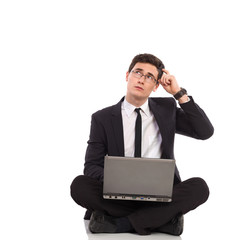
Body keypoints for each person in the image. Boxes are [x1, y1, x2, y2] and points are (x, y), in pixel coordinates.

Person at [70, 53, 214, 236]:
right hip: (118, 195)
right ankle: (161, 221)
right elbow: (91, 166)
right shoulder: (102, 118)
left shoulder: (166, 109)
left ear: (155, 86)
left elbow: (205, 132)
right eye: (138, 72)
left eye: (149, 77)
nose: (141, 79)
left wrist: (179, 94)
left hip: (159, 196)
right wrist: (116, 179)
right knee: (79, 185)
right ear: (127, 75)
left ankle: (120, 224)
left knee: (199, 188)